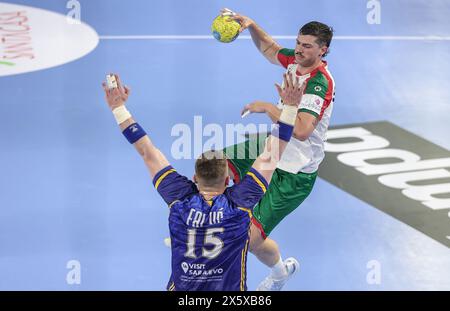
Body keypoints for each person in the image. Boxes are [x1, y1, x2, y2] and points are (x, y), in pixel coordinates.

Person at [102, 73, 305, 291]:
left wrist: (118, 108)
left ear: (195, 179)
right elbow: (271, 154)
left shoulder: (179, 197)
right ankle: (278, 277)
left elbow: (146, 151)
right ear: (228, 180)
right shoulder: (240, 203)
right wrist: (291, 107)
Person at [221, 8, 336, 291]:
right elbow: (271, 48)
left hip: (294, 172)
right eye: (298, 42)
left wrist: (268, 107)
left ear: (323, 50)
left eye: (306, 46)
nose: (298, 49)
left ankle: (279, 273)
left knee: (251, 241)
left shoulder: (319, 84)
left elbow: (301, 130)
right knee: (216, 162)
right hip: (275, 144)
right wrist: (251, 25)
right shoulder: (296, 62)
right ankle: (211, 218)